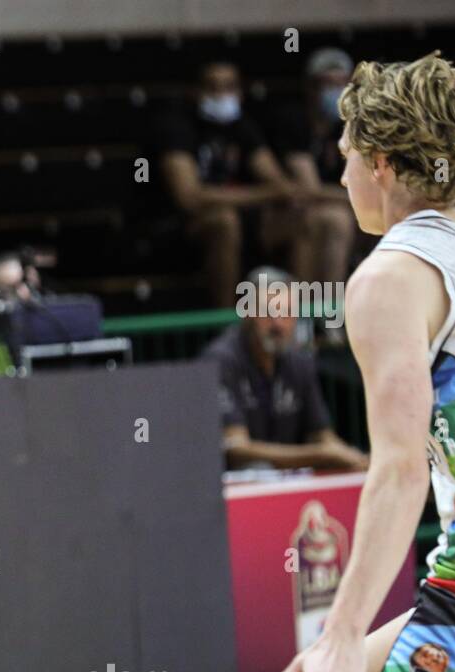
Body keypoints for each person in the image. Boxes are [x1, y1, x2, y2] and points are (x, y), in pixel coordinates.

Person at [266, 53, 455, 672]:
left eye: (347, 148)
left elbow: (398, 467)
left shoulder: (391, 276)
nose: (339, 165)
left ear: (384, 163)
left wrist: (340, 624)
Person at [156, 62, 310, 307]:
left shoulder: (243, 127)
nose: (220, 95)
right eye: (212, 87)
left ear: (239, 93)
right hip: (182, 225)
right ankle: (226, 321)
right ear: (195, 92)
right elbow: (189, 197)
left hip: (245, 219)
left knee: (301, 217)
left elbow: (281, 185)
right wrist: (263, 194)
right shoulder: (177, 126)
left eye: (228, 87)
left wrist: (277, 190)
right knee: (224, 221)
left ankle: (299, 316)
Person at [203, 265, 367, 471]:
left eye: (287, 312)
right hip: (237, 484)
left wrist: (355, 460)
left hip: (292, 480)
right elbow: (236, 449)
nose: (278, 324)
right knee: (258, 467)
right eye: (268, 312)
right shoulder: (223, 360)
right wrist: (320, 455)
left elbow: (322, 435)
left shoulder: (299, 360)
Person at [267, 48, 358, 293]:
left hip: (339, 208)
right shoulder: (294, 121)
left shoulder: (352, 125)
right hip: (281, 215)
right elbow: (310, 189)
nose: (335, 91)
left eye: (341, 83)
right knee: (331, 218)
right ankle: (323, 317)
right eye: (327, 84)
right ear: (310, 87)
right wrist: (361, 198)